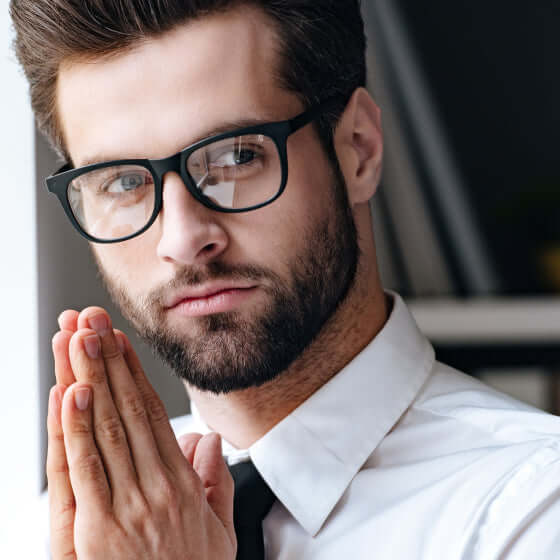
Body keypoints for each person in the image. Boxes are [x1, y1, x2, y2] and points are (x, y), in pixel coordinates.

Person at [9, 0, 560, 558]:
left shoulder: (534, 511)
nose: (182, 239)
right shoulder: (52, 535)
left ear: (359, 150)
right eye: (123, 182)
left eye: (235, 156)